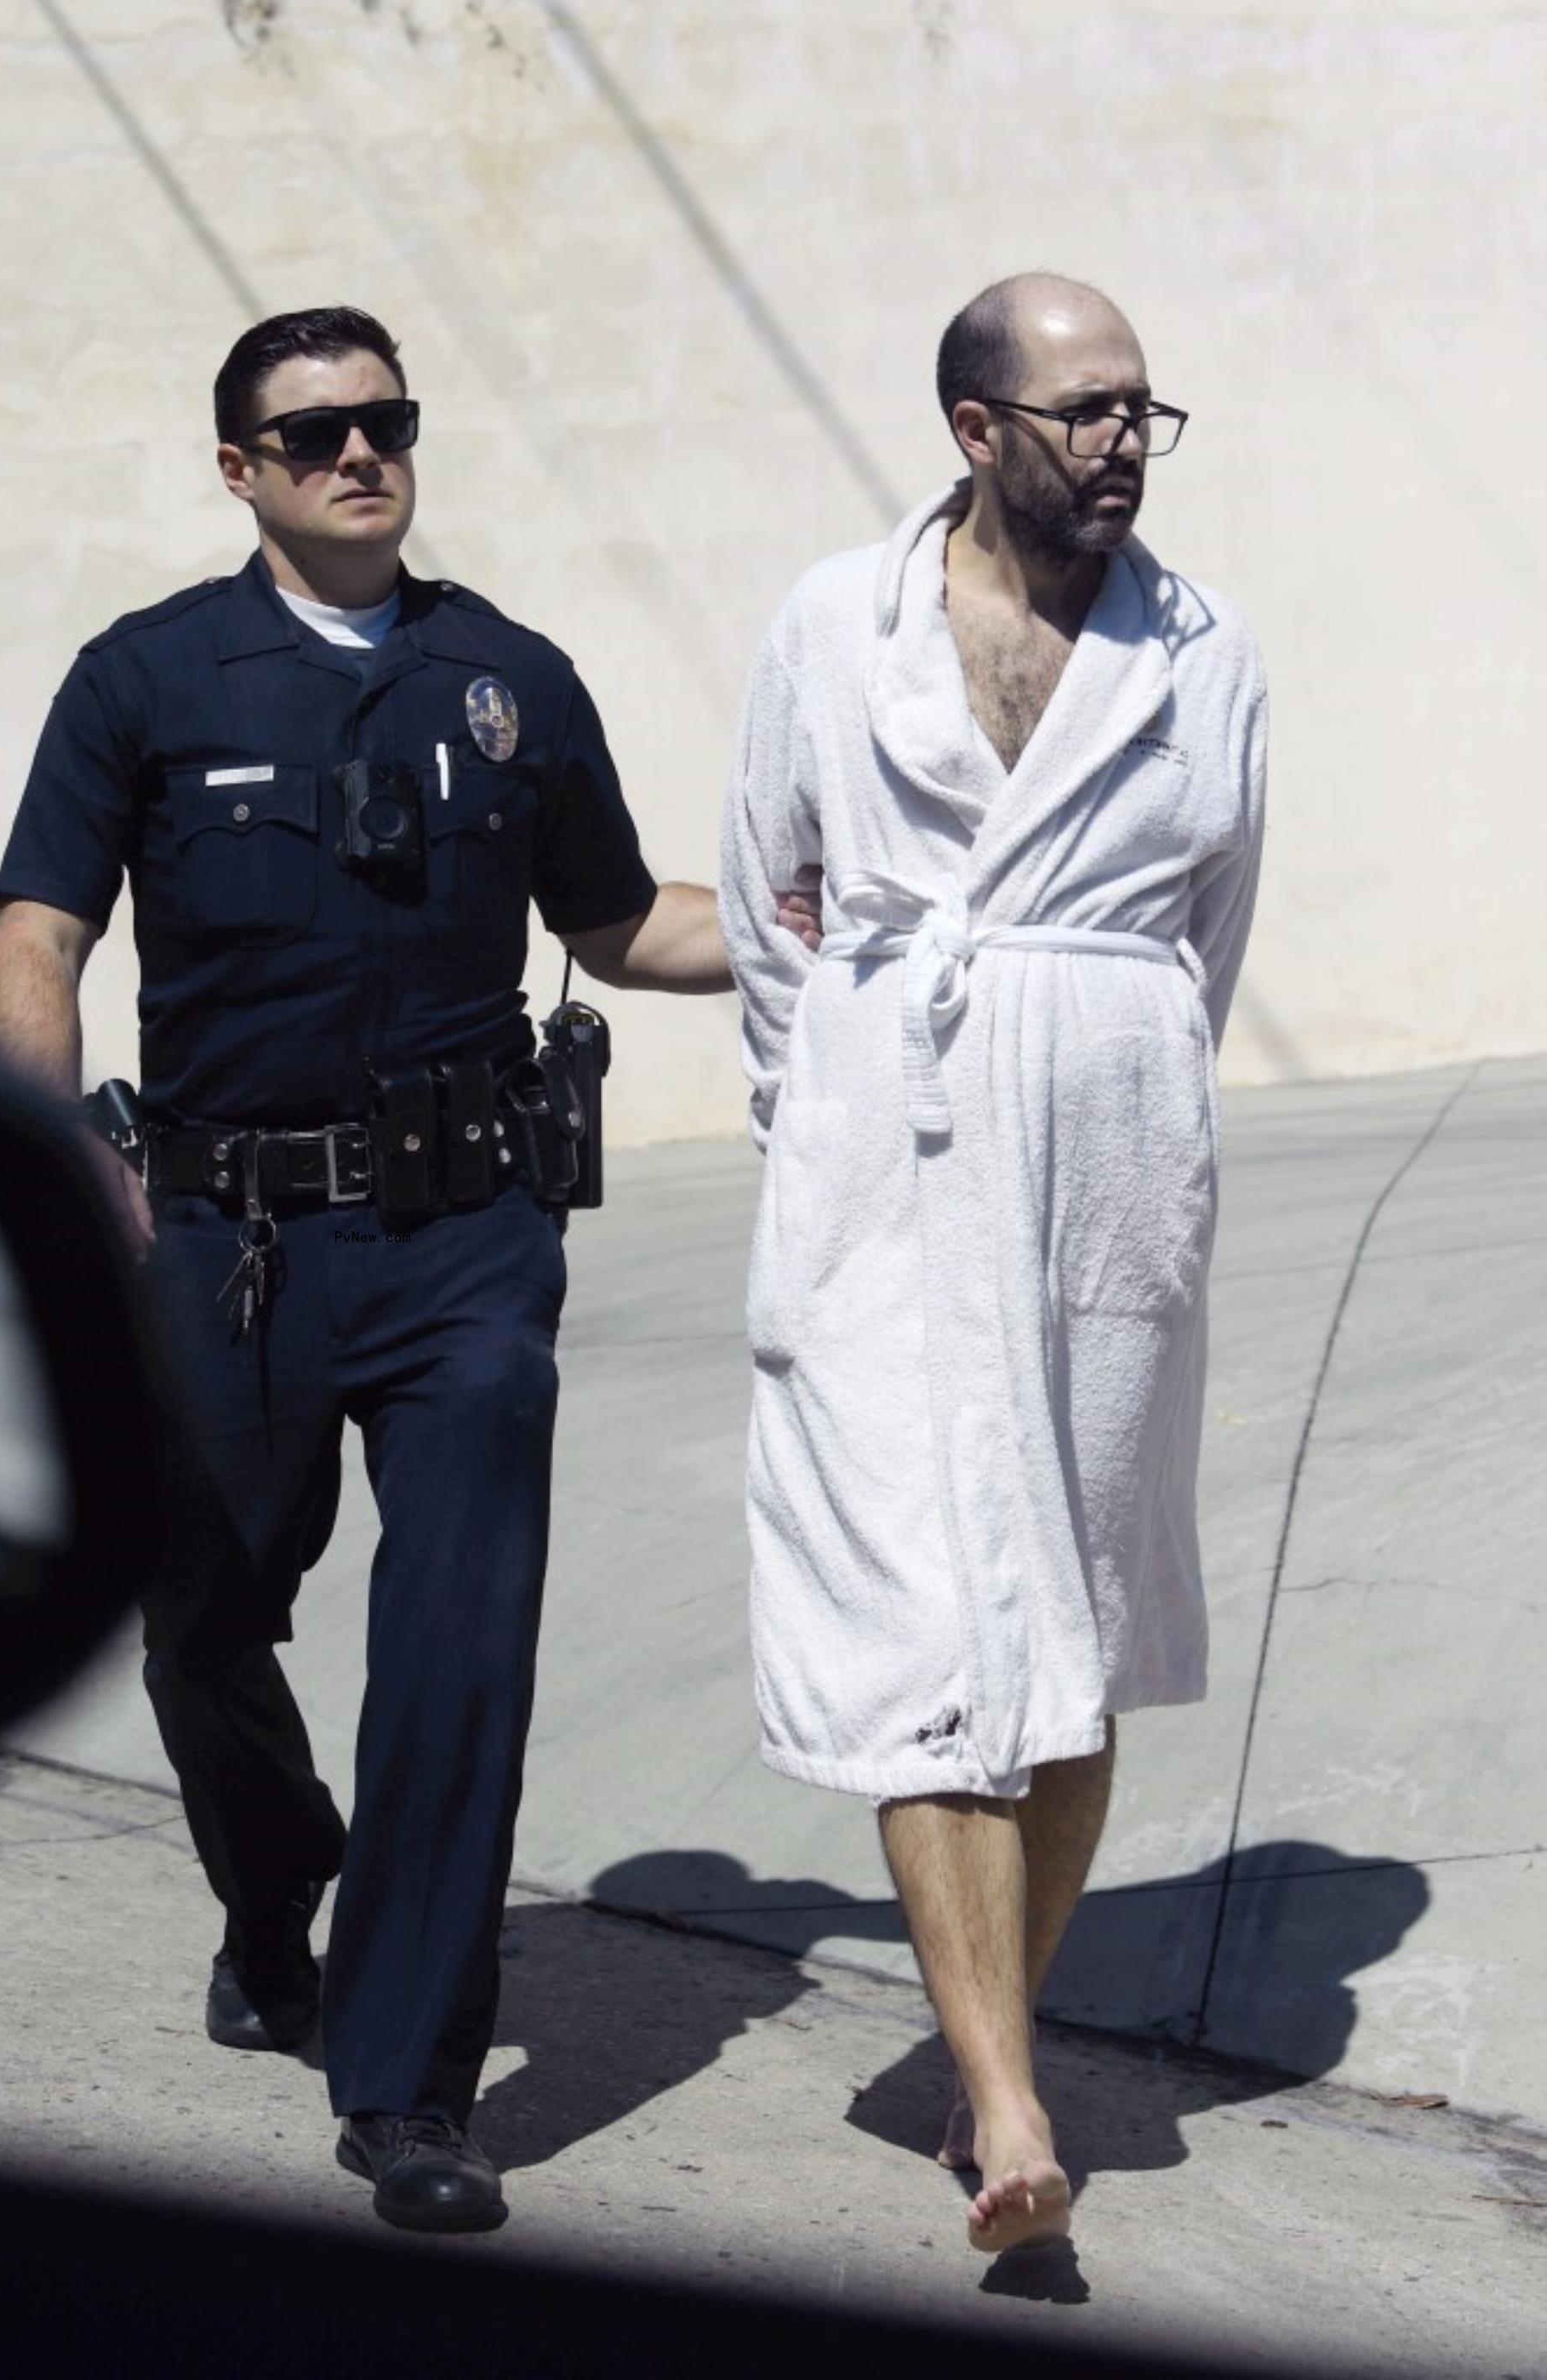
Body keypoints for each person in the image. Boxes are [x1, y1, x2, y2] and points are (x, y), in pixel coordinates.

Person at [0, 306, 730, 2234]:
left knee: (460, 1651)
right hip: (225, 1241)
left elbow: (623, 918)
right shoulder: (147, 677)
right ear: (239, 467)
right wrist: (57, 1150)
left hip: (472, 1244)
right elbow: (40, 940)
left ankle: (406, 2086)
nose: (358, 455)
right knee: (199, 1616)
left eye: (385, 421)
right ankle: (273, 1888)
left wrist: (850, 915)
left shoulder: (510, 677)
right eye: (312, 433)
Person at [719, 273, 1266, 2256]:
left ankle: (982, 2040)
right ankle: (1009, 2097)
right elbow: (773, 911)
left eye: (1144, 408)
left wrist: (1114, 1096)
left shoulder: (1205, 652)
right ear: (975, 431)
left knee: (1075, 1627)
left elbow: (1208, 931)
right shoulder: (828, 625)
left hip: (1107, 1164)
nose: (1125, 441)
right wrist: (833, 1117)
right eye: (1086, 410)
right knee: (925, 1617)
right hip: (884, 1150)